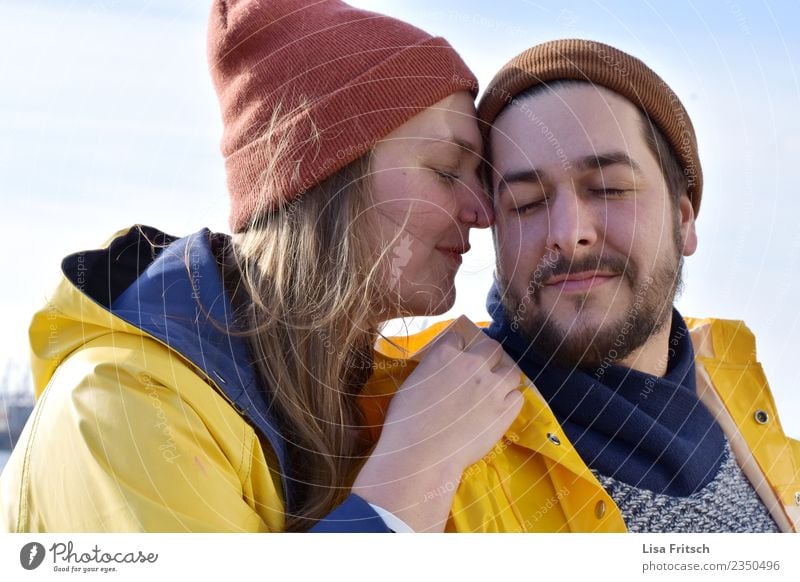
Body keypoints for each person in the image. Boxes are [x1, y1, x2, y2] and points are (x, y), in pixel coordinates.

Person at [0, 0, 525, 533]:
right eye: (444, 170)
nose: (482, 213)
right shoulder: (123, 408)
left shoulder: (361, 403)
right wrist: (415, 471)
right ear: (323, 180)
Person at [363, 39, 800, 532]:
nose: (570, 235)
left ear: (684, 219)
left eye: (609, 189)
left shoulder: (745, 405)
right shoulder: (389, 429)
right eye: (526, 202)